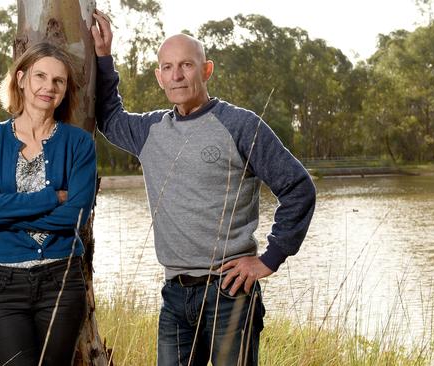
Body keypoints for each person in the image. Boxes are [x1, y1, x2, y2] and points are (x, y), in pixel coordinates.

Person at [91, 11, 316, 366]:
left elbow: (298, 188)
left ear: (206, 70)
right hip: (175, 295)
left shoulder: (240, 125)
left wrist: (270, 258)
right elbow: (108, 118)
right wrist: (104, 56)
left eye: (186, 65)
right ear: (159, 77)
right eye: (167, 67)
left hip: (230, 291)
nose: (176, 75)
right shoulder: (150, 132)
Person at [0, 42, 97, 366]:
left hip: (61, 282)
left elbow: (76, 216)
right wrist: (52, 198)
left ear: (65, 90)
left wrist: (5, 209)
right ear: (21, 78)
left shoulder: (79, 143)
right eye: (40, 76)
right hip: (4, 285)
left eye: (58, 81)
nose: (48, 87)